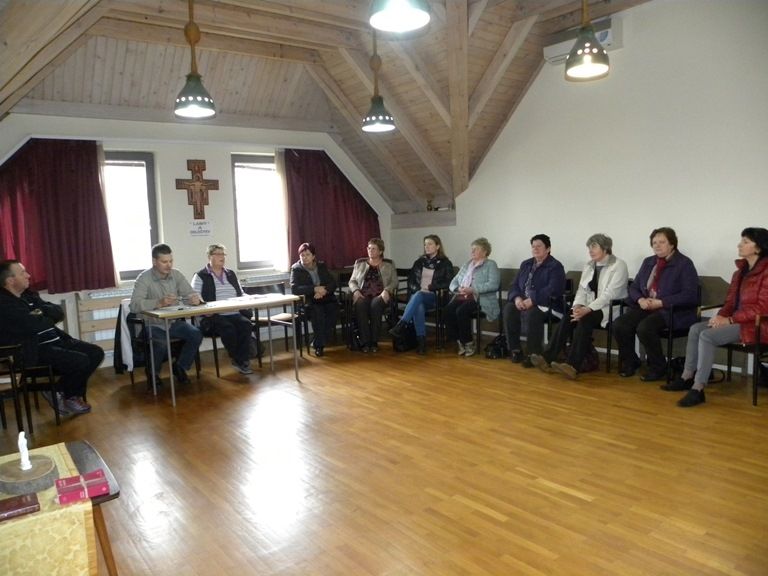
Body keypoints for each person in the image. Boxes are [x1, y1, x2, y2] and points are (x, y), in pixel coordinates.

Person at [663, 227, 768, 407]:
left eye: (745, 242)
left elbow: (762, 307)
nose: (739, 245)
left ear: (758, 247)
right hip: (737, 321)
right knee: (695, 329)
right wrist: (719, 317)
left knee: (707, 336)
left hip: (757, 325)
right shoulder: (739, 273)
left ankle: (698, 388)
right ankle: (687, 376)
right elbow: (729, 302)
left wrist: (730, 320)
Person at [0, 260, 103, 415]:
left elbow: (57, 311)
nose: (28, 275)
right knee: (80, 360)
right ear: (10, 280)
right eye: (23, 273)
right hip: (32, 351)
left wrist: (39, 313)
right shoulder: (4, 303)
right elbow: (34, 325)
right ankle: (69, 396)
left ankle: (59, 391)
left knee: (96, 352)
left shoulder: (28, 295)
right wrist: (41, 314)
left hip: (56, 341)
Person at [531, 233, 628, 379]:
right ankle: (547, 358)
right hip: (589, 306)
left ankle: (572, 366)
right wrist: (577, 306)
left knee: (585, 319)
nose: (590, 251)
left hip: (610, 308)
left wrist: (587, 309)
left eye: (594, 247)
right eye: (589, 248)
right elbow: (582, 290)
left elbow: (610, 294)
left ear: (605, 248)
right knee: (568, 316)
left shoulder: (619, 265)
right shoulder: (589, 265)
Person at [613, 227, 699, 381]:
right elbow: (634, 287)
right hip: (647, 306)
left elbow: (690, 295)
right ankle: (631, 361)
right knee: (620, 324)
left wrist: (661, 302)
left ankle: (658, 367)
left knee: (645, 327)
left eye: (662, 242)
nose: (657, 246)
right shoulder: (648, 262)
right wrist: (640, 300)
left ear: (672, 244)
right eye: (654, 243)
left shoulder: (684, 264)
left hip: (672, 310)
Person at [130, 243, 203, 385]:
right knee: (161, 341)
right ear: (154, 261)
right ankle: (153, 373)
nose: (168, 265)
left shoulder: (176, 275)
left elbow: (190, 293)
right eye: (164, 262)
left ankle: (180, 366)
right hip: (151, 324)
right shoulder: (144, 278)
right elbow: (134, 305)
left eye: (170, 261)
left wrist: (195, 299)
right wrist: (158, 302)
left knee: (195, 334)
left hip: (172, 322)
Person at [502, 234, 566, 367]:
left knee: (533, 313)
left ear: (548, 249)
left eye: (539, 246)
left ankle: (533, 354)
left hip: (548, 304)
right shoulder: (526, 264)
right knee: (509, 308)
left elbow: (554, 289)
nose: (535, 249)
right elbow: (514, 285)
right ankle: (515, 349)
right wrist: (517, 298)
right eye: (533, 246)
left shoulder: (555, 266)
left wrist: (533, 300)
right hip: (524, 301)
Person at [191, 244, 253, 375]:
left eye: (223, 254)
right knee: (228, 328)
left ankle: (240, 360)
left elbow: (240, 293)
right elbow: (195, 297)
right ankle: (240, 360)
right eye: (218, 254)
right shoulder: (201, 275)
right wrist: (204, 310)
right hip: (213, 316)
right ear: (209, 257)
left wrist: (250, 299)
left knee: (246, 324)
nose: (222, 257)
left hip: (234, 312)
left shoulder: (230, 274)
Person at [389, 234, 454, 355]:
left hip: (436, 297)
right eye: (425, 244)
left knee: (418, 296)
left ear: (437, 246)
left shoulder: (445, 263)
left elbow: (449, 282)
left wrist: (432, 287)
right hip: (419, 296)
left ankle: (401, 325)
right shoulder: (419, 262)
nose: (426, 247)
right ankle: (421, 344)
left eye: (430, 244)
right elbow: (411, 281)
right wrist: (418, 289)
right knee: (419, 305)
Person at [444, 237, 500, 357]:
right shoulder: (467, 264)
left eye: (476, 249)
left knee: (461, 311)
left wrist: (473, 289)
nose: (472, 252)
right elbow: (453, 282)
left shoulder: (491, 264)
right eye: (472, 249)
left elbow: (493, 284)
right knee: (448, 310)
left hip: (479, 298)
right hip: (462, 296)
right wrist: (457, 288)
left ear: (484, 252)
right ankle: (459, 341)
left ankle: (468, 343)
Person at [348, 238, 397, 353]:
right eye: (369, 248)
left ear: (380, 251)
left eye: (374, 249)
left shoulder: (388, 264)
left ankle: (374, 341)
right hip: (363, 294)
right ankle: (365, 342)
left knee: (375, 305)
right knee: (360, 304)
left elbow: (394, 281)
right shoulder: (359, 263)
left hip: (380, 295)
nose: (370, 251)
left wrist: (387, 290)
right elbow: (352, 281)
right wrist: (355, 291)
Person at [290, 242, 338, 357]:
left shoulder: (321, 266)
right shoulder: (296, 269)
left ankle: (317, 341)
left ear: (313, 256)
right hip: (309, 301)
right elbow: (295, 289)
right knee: (318, 313)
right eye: (302, 255)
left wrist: (324, 290)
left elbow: (332, 283)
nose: (305, 257)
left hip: (326, 298)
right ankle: (319, 346)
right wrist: (314, 289)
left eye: (307, 255)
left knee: (333, 311)